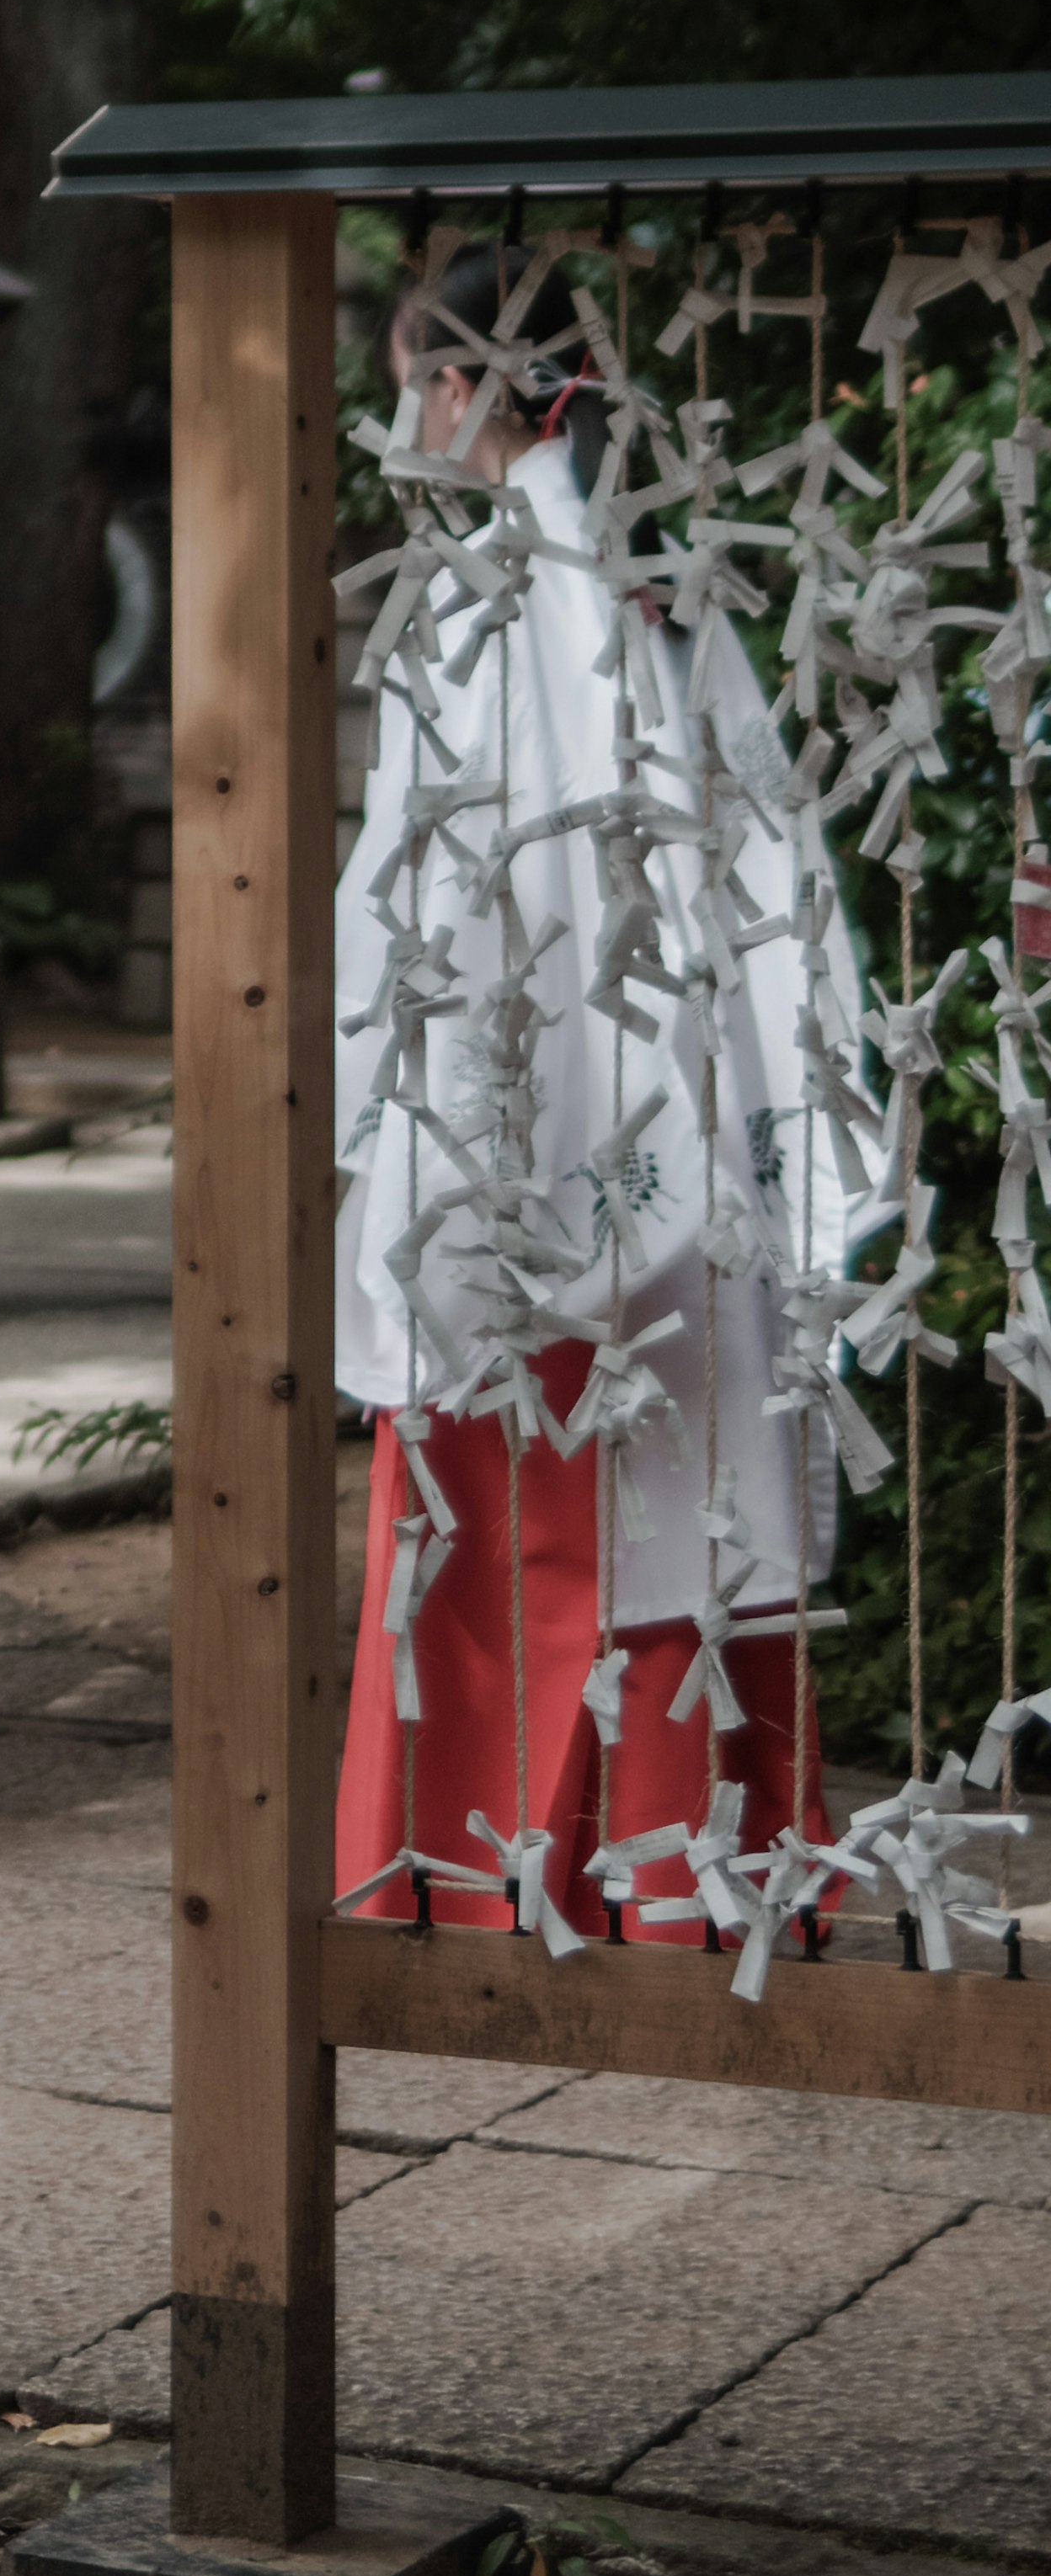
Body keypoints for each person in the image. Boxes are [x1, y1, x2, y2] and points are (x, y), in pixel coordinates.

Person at [331, 244, 855, 1940]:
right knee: (691, 1499)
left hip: (522, 1135)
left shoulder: (472, 607)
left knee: (515, 1475)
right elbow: (779, 878)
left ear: (468, 390)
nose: (399, 414)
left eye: (415, 376)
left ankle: (492, 1864)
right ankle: (699, 1871)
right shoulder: (663, 580)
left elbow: (422, 917)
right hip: (690, 1137)